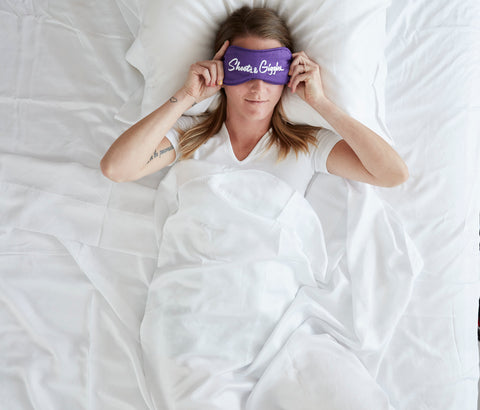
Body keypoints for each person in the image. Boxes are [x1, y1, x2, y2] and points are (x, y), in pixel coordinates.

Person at [100, 6, 409, 193]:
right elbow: (116, 169)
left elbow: (393, 175)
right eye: (244, 70)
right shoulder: (189, 137)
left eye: (270, 71)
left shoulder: (307, 146)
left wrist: (322, 104)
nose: (258, 86)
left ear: (287, 74)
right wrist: (185, 97)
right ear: (221, 70)